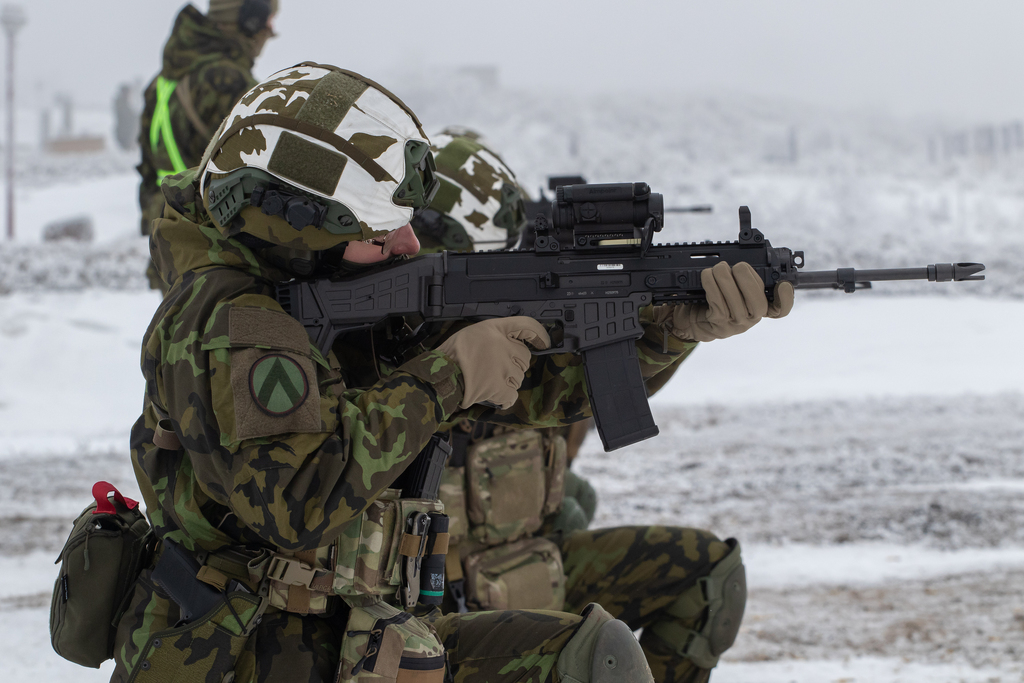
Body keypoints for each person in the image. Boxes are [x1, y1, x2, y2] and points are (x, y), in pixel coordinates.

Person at [112, 63, 666, 683]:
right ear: (300, 228)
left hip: (351, 628)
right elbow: (296, 501)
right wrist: (448, 378)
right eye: (379, 234)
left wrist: (670, 327)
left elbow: (536, 390)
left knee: (592, 658)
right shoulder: (232, 323)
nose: (407, 245)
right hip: (251, 650)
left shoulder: (322, 296)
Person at [408, 129, 795, 682]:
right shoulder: (388, 345)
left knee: (710, 576)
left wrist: (672, 329)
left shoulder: (506, 329)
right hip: (428, 590)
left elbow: (571, 391)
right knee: (598, 658)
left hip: (526, 561)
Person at [137, 0, 277, 292]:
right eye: (267, 21)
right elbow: (269, 166)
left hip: (171, 237)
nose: (270, 32)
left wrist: (159, 214)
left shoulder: (163, 82)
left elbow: (147, 169)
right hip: (218, 250)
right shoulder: (228, 81)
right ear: (249, 21)